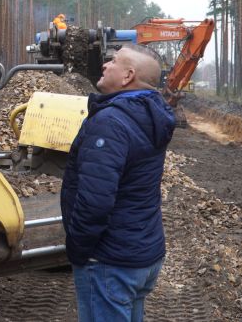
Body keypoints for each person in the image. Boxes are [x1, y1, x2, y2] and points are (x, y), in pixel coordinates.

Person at [60, 44, 176, 322]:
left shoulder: (111, 122)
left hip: (110, 261)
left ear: (128, 76)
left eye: (113, 61)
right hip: (142, 254)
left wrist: (78, 249)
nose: (105, 65)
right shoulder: (150, 115)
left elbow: (95, 201)